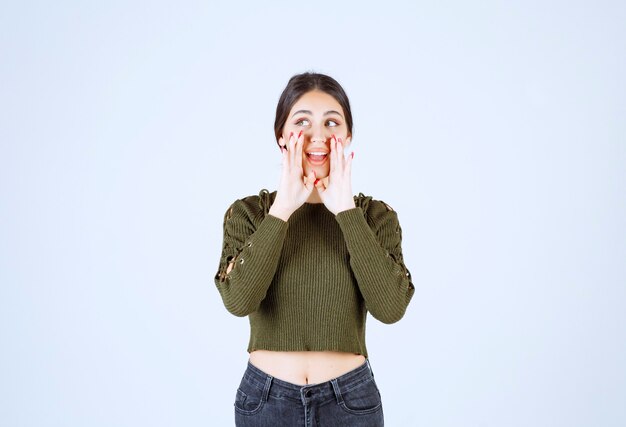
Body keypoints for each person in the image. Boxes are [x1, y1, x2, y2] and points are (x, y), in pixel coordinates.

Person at [214, 72, 415, 426]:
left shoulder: (375, 217)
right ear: (281, 136)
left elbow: (390, 308)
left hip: (350, 400)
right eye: (302, 121)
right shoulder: (249, 214)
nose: (318, 136)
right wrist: (282, 210)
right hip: (266, 401)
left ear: (348, 136)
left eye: (332, 122)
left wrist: (346, 213)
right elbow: (238, 301)